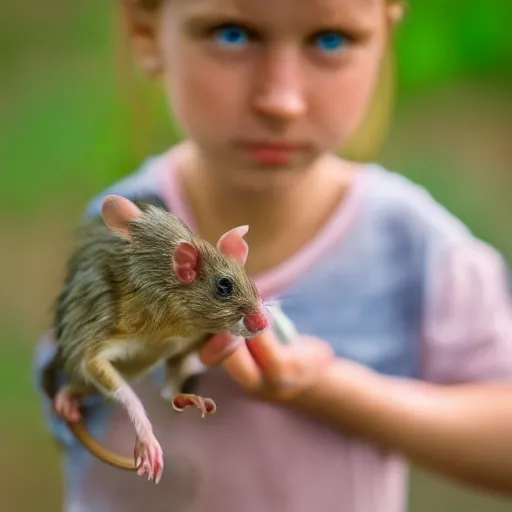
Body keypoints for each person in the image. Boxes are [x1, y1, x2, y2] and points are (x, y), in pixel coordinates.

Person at [34, 0, 512, 511]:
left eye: (331, 40)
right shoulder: (125, 227)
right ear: (147, 31)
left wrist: (328, 391)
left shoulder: (418, 249)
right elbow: (70, 384)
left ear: (384, 35)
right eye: (233, 34)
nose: (281, 100)